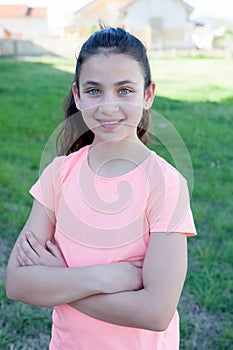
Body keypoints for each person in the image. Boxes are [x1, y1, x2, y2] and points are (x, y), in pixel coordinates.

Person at [6, 26, 196, 349]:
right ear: (78, 96)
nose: (108, 106)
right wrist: (103, 279)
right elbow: (18, 282)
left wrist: (59, 279)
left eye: (124, 90)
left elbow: (155, 312)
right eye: (94, 91)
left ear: (148, 95)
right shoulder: (59, 174)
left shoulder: (166, 185)